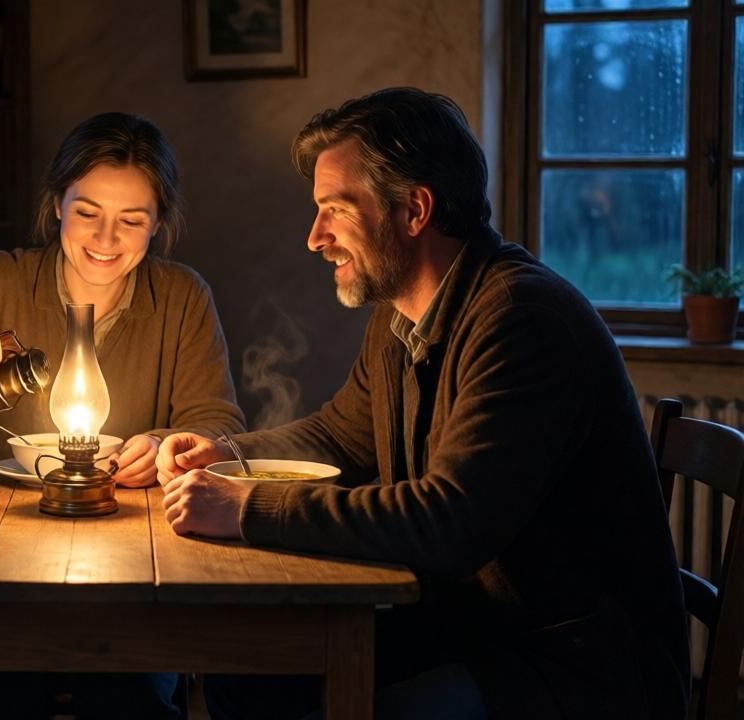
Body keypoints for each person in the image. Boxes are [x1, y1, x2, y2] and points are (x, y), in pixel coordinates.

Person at [156, 88, 690, 720]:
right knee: (251, 662)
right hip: (476, 629)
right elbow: (340, 436)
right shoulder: (402, 315)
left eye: (335, 209)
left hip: (570, 670)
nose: (314, 237)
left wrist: (246, 507)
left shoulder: (522, 321)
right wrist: (228, 456)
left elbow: (448, 523)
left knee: (326, 691)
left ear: (414, 210)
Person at [0, 112, 246, 719]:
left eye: (132, 220)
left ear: (158, 223)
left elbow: (220, 426)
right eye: (88, 212)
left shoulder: (182, 298)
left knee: (131, 694)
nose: (106, 238)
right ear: (57, 202)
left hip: (137, 571)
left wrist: (169, 443)